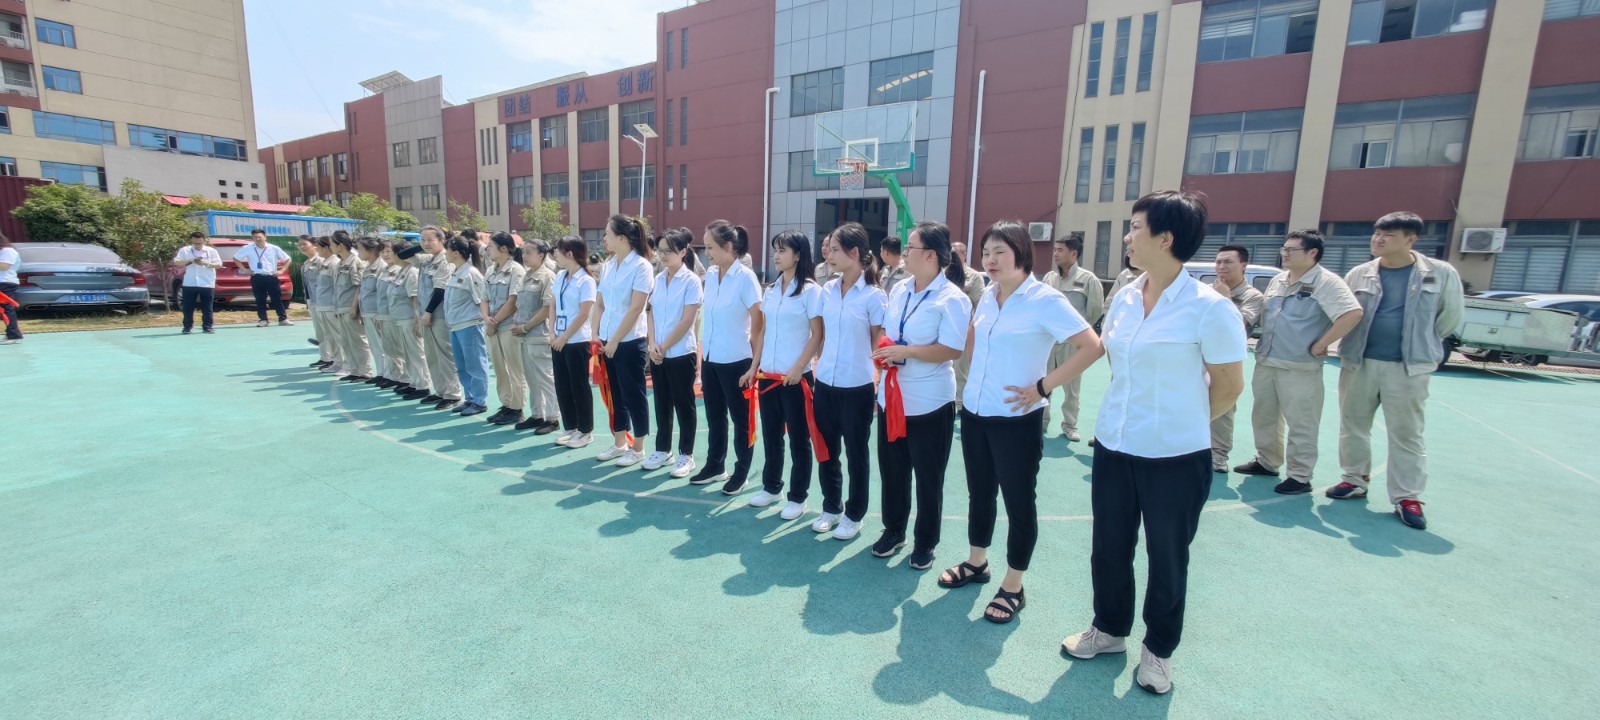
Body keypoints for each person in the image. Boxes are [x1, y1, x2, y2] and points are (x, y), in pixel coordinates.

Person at [1061, 191, 1247, 696]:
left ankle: (1158, 651)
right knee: (1109, 546)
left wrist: (1179, 421)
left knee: (1167, 558)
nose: (1127, 236)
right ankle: (1108, 629)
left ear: (1165, 239)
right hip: (1115, 445)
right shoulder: (1124, 297)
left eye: (1135, 227)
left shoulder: (1210, 308)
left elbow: (1229, 386)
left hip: (1175, 456)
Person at [940, 220, 1100, 623]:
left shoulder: (1044, 299)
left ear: (1022, 254)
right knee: (979, 494)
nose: (990, 260)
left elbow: (1091, 347)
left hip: (1016, 419)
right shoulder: (988, 295)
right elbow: (976, 343)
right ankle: (977, 562)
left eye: (1000, 252)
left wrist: (1043, 387)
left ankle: (1013, 585)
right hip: (976, 413)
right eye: (986, 253)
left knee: (1018, 502)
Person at [1329, 212, 1465, 530]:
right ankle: (1354, 479)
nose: (1378, 240)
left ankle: (1406, 496)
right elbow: (1345, 312)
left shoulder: (1440, 273)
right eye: (1377, 233)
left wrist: (1420, 345)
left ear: (1410, 240)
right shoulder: (1360, 273)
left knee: (1406, 433)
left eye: (1388, 235)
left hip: (1407, 368)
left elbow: (1449, 318)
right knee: (1353, 425)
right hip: (1359, 362)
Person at [869, 221, 972, 570]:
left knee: (928, 478)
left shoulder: (952, 299)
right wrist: (886, 350)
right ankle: (894, 530)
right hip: (892, 397)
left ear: (930, 255)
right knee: (893, 470)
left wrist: (907, 352)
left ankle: (926, 542)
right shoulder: (900, 289)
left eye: (910, 247)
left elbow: (952, 349)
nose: (904, 252)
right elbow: (888, 330)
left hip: (929, 402)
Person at [1233, 230, 1363, 495]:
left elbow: (1352, 313)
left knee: (1301, 423)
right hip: (1267, 360)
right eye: (1284, 248)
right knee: (1264, 416)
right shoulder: (1279, 280)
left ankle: (1300, 475)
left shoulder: (1327, 282)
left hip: (1299, 367)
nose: (1285, 253)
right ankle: (1267, 461)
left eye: (1292, 250)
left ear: (1312, 253)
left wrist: (1322, 343)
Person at [812, 222, 887, 540]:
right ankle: (831, 506)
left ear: (854, 253)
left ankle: (854, 514)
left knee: (856, 453)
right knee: (827, 450)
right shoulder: (827, 290)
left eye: (834, 249)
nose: (828, 254)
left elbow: (878, 344)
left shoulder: (874, 296)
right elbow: (820, 335)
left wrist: (880, 380)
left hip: (857, 386)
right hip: (825, 383)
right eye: (828, 248)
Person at [748, 230, 825, 518]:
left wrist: (798, 368)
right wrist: (754, 366)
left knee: (799, 440)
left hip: (796, 379)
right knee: (771, 435)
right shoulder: (770, 289)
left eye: (782, 250)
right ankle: (772, 487)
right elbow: (764, 331)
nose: (776, 256)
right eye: (776, 250)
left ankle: (798, 497)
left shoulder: (810, 291)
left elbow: (817, 334)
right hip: (768, 377)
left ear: (798, 254)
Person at [695, 220, 764, 493]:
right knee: (714, 417)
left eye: (710, 247)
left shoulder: (746, 278)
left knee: (741, 421)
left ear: (727, 246)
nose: (706, 253)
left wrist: (755, 363)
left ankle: (741, 471)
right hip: (711, 358)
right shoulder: (712, 275)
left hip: (737, 360)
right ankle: (715, 465)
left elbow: (758, 322)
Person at [590, 215, 655, 466]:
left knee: (633, 395)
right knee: (614, 394)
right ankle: (620, 443)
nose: (603, 238)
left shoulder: (641, 266)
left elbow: (637, 307)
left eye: (607, 234)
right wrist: (595, 335)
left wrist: (616, 339)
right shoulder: (608, 265)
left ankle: (638, 448)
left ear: (622, 238)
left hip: (629, 342)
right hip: (607, 340)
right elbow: (599, 303)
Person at [644, 228, 704, 476]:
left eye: (669, 250)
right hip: (658, 353)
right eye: (660, 250)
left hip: (680, 353)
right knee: (661, 403)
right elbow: (650, 313)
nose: (663, 255)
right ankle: (663, 450)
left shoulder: (691, 281)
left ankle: (686, 455)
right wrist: (652, 344)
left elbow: (687, 320)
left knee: (684, 404)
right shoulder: (658, 279)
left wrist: (664, 345)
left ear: (683, 252)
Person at [1040, 232, 1107, 441]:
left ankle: (1069, 425)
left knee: (1072, 387)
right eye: (1055, 250)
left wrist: (1077, 332)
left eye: (1060, 250)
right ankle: (1042, 421)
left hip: (1073, 342)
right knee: (1044, 380)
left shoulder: (1088, 280)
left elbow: (1095, 310)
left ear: (1074, 254)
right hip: (1049, 341)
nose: (1055, 254)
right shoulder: (1049, 278)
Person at [1208, 245, 1266, 473]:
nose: (1221, 266)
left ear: (1243, 265)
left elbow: (1238, 325)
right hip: (1201, 355)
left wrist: (1225, 298)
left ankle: (1218, 455)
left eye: (1228, 262)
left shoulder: (1253, 296)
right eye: (1218, 262)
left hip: (1226, 361)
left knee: (1223, 407)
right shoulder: (1207, 290)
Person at [509, 239, 562, 434]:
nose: (524, 256)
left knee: (545, 378)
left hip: (539, 335)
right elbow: (520, 304)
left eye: (529, 252)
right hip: (524, 336)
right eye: (523, 252)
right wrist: (517, 322)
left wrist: (525, 327)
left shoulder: (548, 276)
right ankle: (537, 414)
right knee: (531, 378)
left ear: (541, 255)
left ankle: (552, 418)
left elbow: (548, 308)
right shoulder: (526, 276)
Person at [550, 236, 598, 449]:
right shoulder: (560, 276)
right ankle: (571, 427)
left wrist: (564, 337)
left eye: (558, 251)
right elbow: (553, 304)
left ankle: (585, 430)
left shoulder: (586, 280)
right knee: (562, 384)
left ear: (569, 254)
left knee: (579, 386)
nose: (555, 255)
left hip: (577, 340)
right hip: (558, 338)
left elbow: (584, 313)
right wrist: (553, 333)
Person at [442, 237, 492, 416]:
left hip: (470, 325)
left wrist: (485, 321)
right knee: (462, 365)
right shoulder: (456, 272)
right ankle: (470, 398)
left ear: (456, 253)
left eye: (447, 250)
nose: (445, 254)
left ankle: (479, 401)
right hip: (455, 326)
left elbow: (482, 300)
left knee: (475, 363)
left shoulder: (471, 273)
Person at [484, 232, 529, 426]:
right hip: (492, 326)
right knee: (500, 369)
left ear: (503, 248)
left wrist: (493, 322)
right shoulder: (490, 271)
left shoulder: (516, 270)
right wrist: (487, 318)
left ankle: (517, 408)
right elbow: (484, 298)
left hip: (508, 327)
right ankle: (507, 404)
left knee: (514, 369)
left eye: (491, 246)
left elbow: (513, 301)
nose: (488, 250)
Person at [417, 227, 464, 409]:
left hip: (438, 315)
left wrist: (428, 312)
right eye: (423, 239)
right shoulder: (428, 260)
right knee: (432, 355)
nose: (426, 243)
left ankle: (452, 394)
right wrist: (421, 245)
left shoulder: (445, 260)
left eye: (430, 239)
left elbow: (440, 290)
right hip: (425, 314)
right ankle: (440, 390)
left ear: (442, 241)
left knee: (444, 354)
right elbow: (402, 255)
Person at [387, 241, 432, 400]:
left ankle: (423, 385)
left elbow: (414, 298)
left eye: (393, 253)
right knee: (407, 354)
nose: (391, 256)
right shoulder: (402, 271)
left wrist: (416, 320)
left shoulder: (412, 272)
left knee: (416, 353)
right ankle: (414, 382)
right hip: (400, 319)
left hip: (409, 319)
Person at [330, 232, 372, 382]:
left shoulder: (354, 261)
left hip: (350, 307)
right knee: (347, 341)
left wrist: (354, 307)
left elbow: (359, 286)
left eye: (332, 244)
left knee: (358, 340)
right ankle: (354, 370)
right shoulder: (340, 263)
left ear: (340, 245)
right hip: (341, 307)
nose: (330, 247)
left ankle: (365, 371)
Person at [950, 240, 986, 410]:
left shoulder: (974, 276)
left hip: (964, 331)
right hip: (945, 329)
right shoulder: (943, 273)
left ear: (964, 255)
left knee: (961, 369)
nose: (952, 257)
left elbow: (979, 306)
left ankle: (960, 403)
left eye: (956, 253)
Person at [355, 237, 393, 388]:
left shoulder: (381, 267)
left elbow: (382, 293)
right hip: (367, 312)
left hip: (377, 313)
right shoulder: (368, 266)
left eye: (360, 249)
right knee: (375, 345)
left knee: (384, 346)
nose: (358, 252)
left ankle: (389, 375)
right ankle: (381, 373)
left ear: (370, 250)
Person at [236, 228, 293, 327]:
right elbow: (236, 258)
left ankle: (283, 319)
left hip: (271, 276)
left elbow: (288, 259)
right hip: (256, 277)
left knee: (277, 299)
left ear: (265, 237)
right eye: (255, 237)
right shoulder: (248, 248)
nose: (257, 239)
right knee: (260, 299)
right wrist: (245, 270)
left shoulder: (273, 248)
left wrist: (282, 271)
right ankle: (263, 320)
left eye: (259, 237)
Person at [174, 231, 221, 335]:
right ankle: (187, 327)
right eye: (195, 243)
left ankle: (207, 327)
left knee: (207, 307)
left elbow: (218, 264)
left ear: (204, 241)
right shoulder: (185, 250)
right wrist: (191, 261)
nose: (197, 245)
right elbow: (177, 262)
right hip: (190, 282)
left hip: (207, 282)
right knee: (188, 307)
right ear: (191, 241)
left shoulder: (211, 251)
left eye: (199, 243)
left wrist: (206, 263)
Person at [297, 236, 332, 365]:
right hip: (312, 300)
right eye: (299, 245)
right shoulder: (306, 263)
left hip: (323, 300)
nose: (302, 247)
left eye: (304, 244)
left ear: (314, 245)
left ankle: (333, 358)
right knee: (320, 332)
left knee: (328, 331)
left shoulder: (321, 261)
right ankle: (325, 357)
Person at [311, 237, 343, 373]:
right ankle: (336, 361)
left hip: (331, 306)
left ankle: (343, 363)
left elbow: (337, 287)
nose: (316, 249)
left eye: (318, 246)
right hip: (322, 305)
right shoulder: (325, 262)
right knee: (330, 336)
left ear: (326, 248)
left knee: (337, 336)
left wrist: (336, 306)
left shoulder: (334, 263)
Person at [0, 233, 21, 344]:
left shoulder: (7, 251)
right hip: (3, 282)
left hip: (5, 282)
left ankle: (14, 336)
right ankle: (11, 333)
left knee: (6, 308)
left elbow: (4, 266)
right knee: (4, 309)